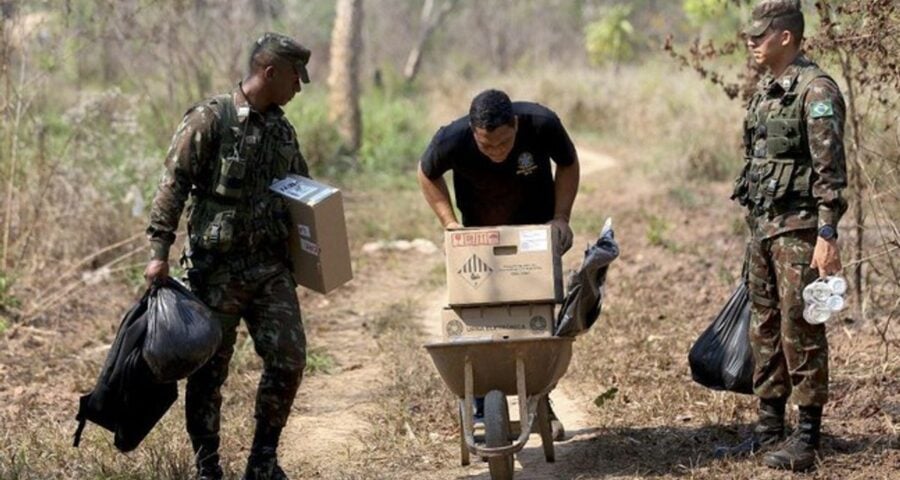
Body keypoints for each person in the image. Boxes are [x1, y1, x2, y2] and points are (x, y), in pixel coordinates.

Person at [144, 33, 313, 480]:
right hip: (213, 272)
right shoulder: (209, 119)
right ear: (269, 72)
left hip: (270, 270)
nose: (300, 86)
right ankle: (207, 466)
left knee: (289, 358)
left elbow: (303, 191)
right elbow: (173, 185)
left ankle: (262, 460)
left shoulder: (282, 129)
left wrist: (314, 253)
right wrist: (158, 252)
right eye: (296, 76)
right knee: (207, 373)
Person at [726, 0, 848, 471]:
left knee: (802, 326)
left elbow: (830, 172)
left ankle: (807, 436)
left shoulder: (814, 91)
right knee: (765, 325)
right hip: (763, 227)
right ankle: (769, 428)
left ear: (785, 37)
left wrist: (827, 233)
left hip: (799, 230)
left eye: (760, 35)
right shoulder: (766, 92)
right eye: (750, 35)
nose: (752, 42)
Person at [418, 88, 580, 440]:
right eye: (487, 146)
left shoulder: (542, 123)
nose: (496, 153)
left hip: (533, 235)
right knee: (480, 319)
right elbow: (426, 172)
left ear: (516, 125)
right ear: (474, 132)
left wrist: (561, 218)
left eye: (504, 144)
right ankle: (479, 409)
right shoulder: (453, 139)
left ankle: (539, 403)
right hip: (480, 237)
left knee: (535, 320)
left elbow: (568, 162)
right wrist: (449, 224)